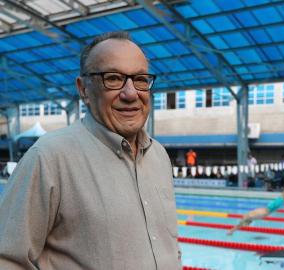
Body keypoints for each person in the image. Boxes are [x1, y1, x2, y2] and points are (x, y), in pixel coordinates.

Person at [0, 31, 181, 269]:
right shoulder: (49, 157)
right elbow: (8, 259)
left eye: (140, 79)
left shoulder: (159, 155)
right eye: (113, 78)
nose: (130, 93)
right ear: (83, 88)